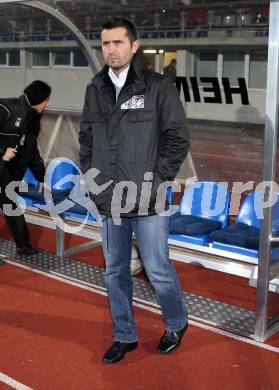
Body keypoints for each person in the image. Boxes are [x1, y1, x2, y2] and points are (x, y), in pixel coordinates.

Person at [79, 17, 190, 364]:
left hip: (149, 198)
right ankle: (124, 335)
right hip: (109, 199)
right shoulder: (94, 88)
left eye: (118, 43)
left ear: (134, 45)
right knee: (114, 271)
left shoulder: (157, 87)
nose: (111, 49)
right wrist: (93, 178)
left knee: (157, 269)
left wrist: (155, 183)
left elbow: (177, 139)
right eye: (106, 43)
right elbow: (86, 139)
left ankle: (176, 323)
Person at [0, 80, 51, 256]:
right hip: (2, 165)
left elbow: (31, 151)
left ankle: (24, 245)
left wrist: (41, 177)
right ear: (39, 99)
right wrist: (2, 152)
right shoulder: (8, 108)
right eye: (46, 100)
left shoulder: (31, 120)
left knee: (11, 207)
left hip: (6, 172)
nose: (47, 104)